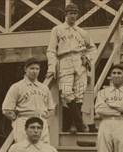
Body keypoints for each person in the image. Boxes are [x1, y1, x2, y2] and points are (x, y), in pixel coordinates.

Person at [46, 2, 96, 134]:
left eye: (75, 13)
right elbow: (51, 50)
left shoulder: (82, 32)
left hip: (80, 61)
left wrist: (88, 58)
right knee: (67, 93)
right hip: (65, 60)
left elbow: (92, 48)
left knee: (79, 94)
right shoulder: (57, 30)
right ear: (65, 14)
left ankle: (73, 126)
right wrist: (52, 67)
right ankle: (80, 123)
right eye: (71, 13)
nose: (73, 16)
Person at [2, 57, 55, 145]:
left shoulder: (44, 88)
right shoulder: (17, 86)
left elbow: (51, 109)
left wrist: (45, 123)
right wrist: (18, 120)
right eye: (32, 68)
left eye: (37, 69)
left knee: (44, 150)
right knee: (24, 149)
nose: (35, 71)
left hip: (41, 122)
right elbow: (6, 109)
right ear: (25, 69)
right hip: (24, 122)